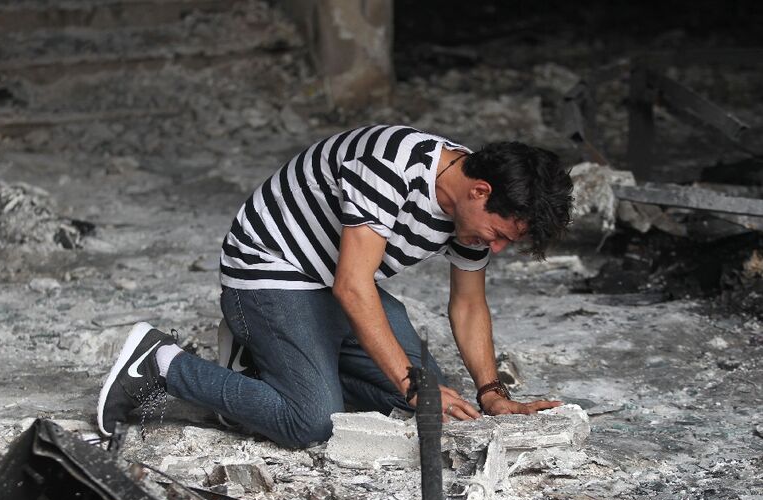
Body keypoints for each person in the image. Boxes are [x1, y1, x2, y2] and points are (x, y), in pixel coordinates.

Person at [96, 124, 574, 448]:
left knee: (432, 406)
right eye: (500, 236)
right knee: (312, 422)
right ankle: (158, 362)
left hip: (329, 283)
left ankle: (262, 376)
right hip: (270, 271)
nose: (496, 249)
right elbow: (353, 287)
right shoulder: (391, 166)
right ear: (481, 192)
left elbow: (468, 306)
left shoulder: (471, 213)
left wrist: (491, 393)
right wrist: (410, 383)